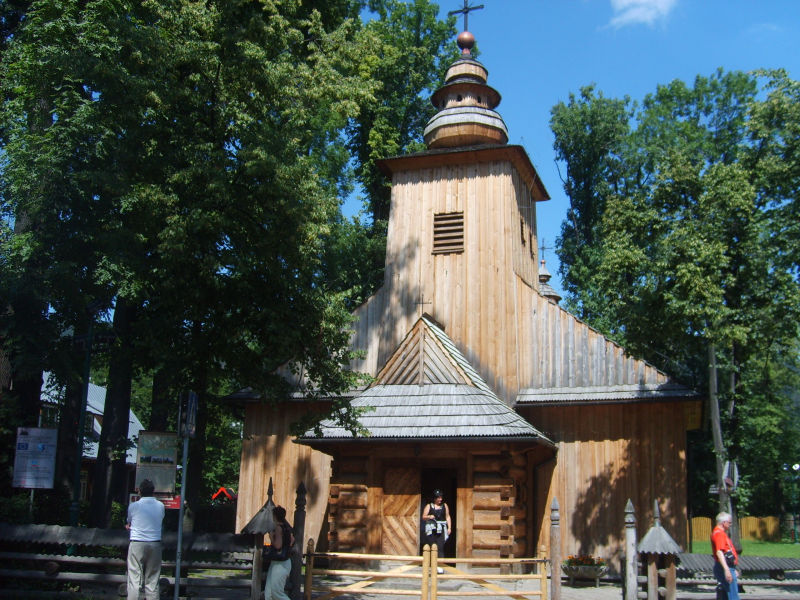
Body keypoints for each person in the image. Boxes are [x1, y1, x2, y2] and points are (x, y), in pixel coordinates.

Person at [126, 479, 165, 600]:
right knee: (152, 580)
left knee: (134, 579)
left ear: (140, 491)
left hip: (137, 542)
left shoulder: (134, 506)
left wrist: (129, 526)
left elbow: (129, 522)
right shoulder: (160, 506)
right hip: (154, 543)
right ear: (153, 491)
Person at [265, 505, 295, 600]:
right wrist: (287, 547)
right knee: (268, 593)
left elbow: (278, 545)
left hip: (280, 563)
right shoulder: (286, 527)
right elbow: (292, 540)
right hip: (283, 562)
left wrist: (271, 537)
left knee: (276, 593)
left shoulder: (278, 528)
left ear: (275, 516)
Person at [711, 511, 739, 600]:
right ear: (724, 523)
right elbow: (719, 552)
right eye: (729, 522)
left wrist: (733, 568)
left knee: (726, 596)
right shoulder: (719, 534)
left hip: (727, 566)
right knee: (733, 596)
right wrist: (727, 570)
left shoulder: (720, 533)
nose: (730, 524)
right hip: (724, 567)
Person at [422, 489, 451, 574]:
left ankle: (440, 566)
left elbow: (448, 517)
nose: (440, 499)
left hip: (441, 528)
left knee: (440, 547)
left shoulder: (444, 506)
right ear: (434, 498)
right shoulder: (429, 506)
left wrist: (449, 528)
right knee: (432, 546)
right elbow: (423, 516)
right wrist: (429, 517)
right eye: (438, 498)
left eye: (441, 497)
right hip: (432, 529)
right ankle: (432, 565)